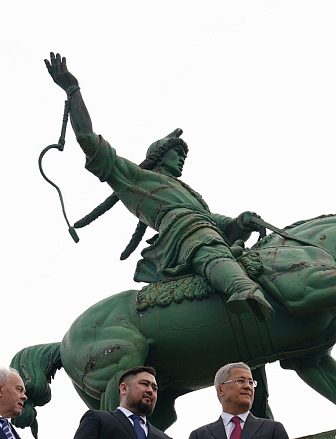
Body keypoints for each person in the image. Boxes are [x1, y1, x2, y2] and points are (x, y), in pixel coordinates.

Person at [44, 52, 274, 321]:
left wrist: (241, 221)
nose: (183, 158)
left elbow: (216, 222)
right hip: (184, 233)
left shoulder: (191, 194)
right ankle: (241, 288)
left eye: (184, 155)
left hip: (203, 227)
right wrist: (72, 90)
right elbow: (87, 138)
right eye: (178, 153)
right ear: (161, 155)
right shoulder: (137, 179)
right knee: (204, 237)